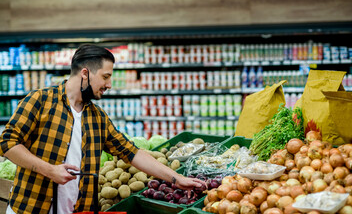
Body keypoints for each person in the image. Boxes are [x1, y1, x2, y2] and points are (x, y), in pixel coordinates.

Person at [0, 44, 206, 214]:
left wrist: (177, 179)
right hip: (30, 209)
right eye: (106, 76)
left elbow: (132, 153)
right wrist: (50, 170)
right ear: (85, 73)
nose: (109, 84)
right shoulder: (41, 100)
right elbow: (7, 142)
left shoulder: (97, 117)